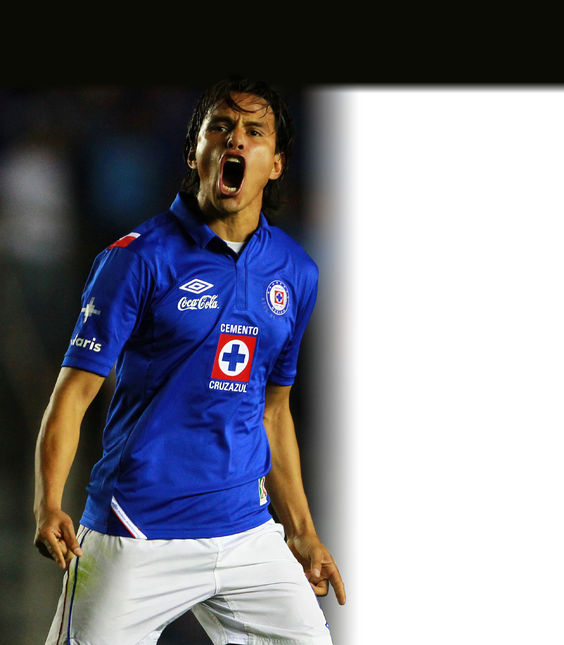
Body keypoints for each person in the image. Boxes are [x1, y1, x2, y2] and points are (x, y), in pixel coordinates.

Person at [33, 78, 345, 645]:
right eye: (220, 127)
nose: (235, 139)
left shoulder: (296, 271)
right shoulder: (137, 258)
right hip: (137, 529)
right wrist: (48, 503)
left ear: (276, 164)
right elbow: (73, 395)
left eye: (254, 131)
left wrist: (302, 531)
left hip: (246, 531)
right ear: (194, 152)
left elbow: (275, 411)